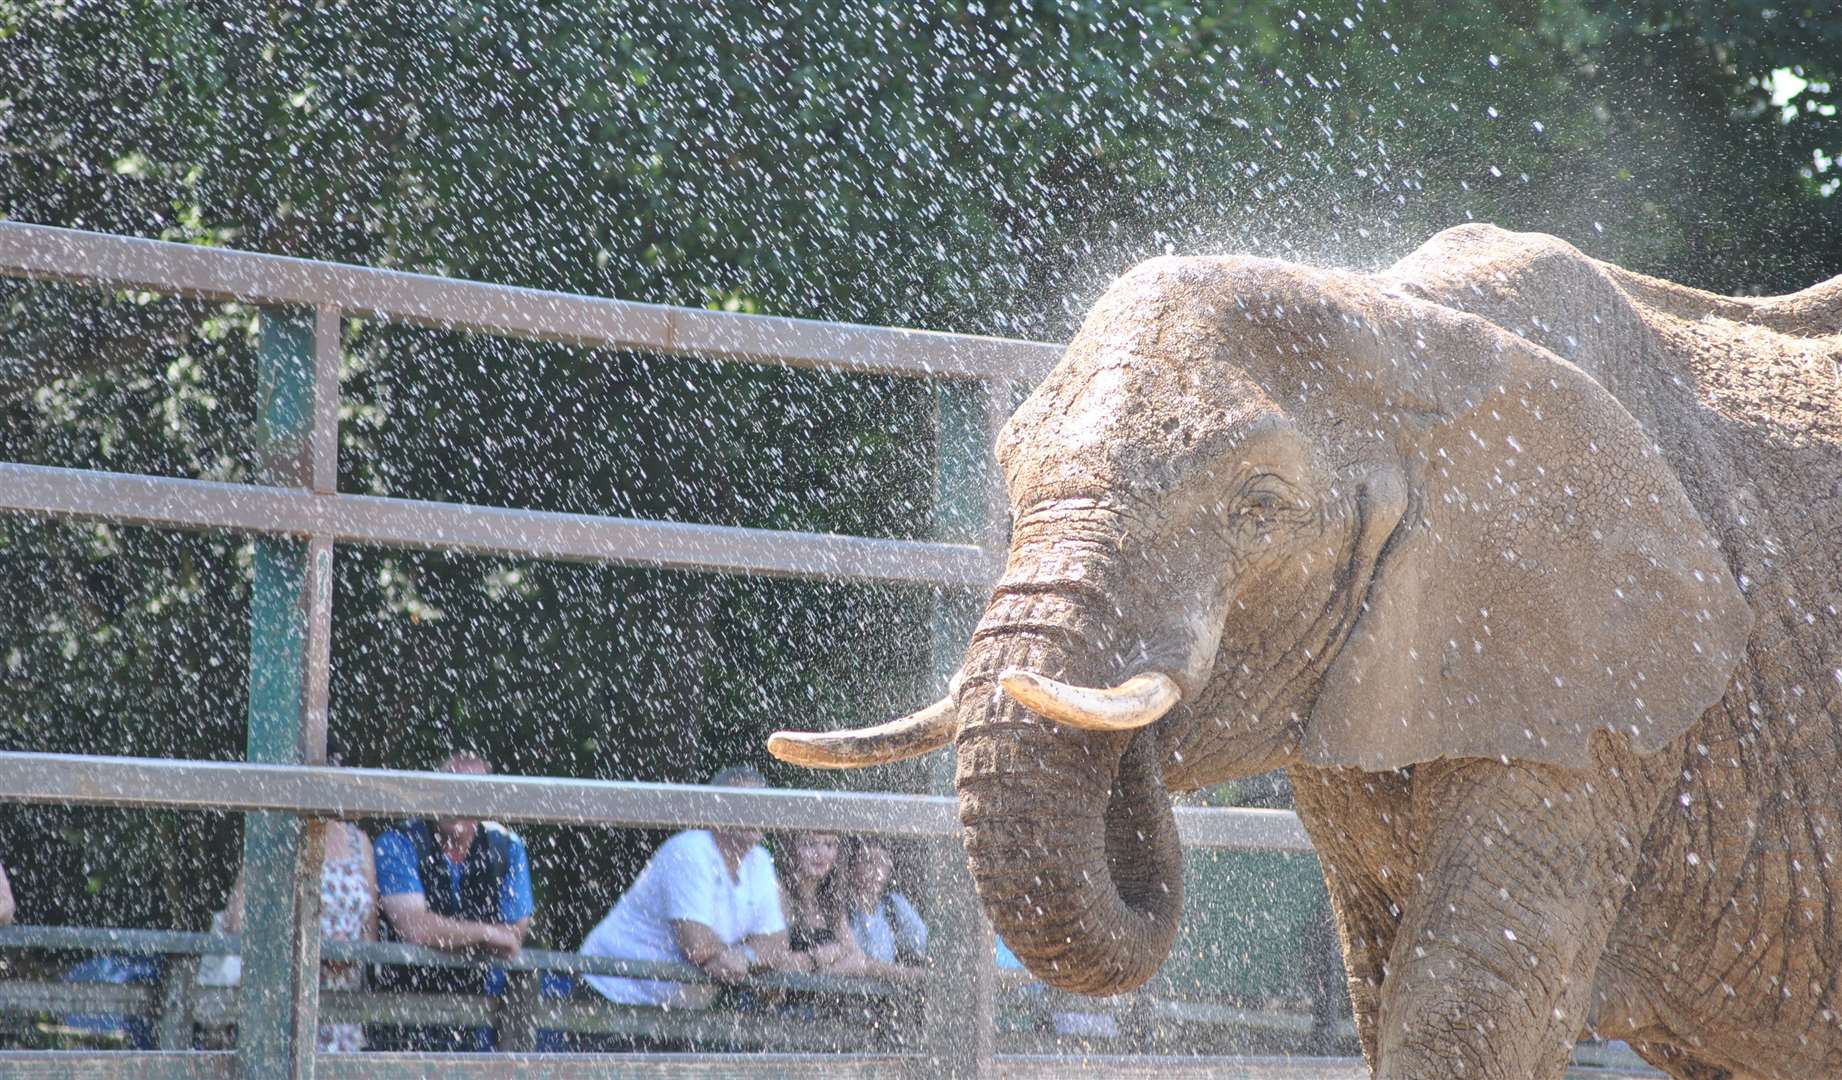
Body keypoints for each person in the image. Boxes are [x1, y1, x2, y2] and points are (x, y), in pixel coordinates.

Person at [579, 765, 805, 1019]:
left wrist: (742, 957)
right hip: (613, 991)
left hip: (674, 1008)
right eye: (746, 803)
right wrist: (730, 957)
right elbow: (696, 946)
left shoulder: (760, 860)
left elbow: (776, 943)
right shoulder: (690, 851)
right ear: (716, 809)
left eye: (763, 804)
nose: (757, 812)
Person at [369, 751, 534, 1052]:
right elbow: (415, 929)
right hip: (400, 1013)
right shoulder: (397, 843)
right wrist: (485, 934)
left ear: (485, 801)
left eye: (468, 791)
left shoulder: (507, 848)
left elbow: (513, 936)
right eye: (448, 787)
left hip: (477, 1017)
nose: (456, 799)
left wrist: (448, 933)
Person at [209, 818, 379, 1052]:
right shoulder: (277, 836)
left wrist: (348, 955)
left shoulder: (359, 842)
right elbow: (236, 922)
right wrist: (308, 946)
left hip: (340, 1003)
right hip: (284, 995)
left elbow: (370, 932)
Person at [778, 830, 865, 977]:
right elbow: (771, 961)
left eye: (829, 845)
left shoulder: (831, 902)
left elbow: (858, 959)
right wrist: (817, 958)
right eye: (810, 844)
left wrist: (821, 977)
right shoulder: (779, 895)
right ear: (792, 849)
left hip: (821, 995)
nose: (821, 853)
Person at [844, 837, 927, 975]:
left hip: (887, 994)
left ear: (889, 869)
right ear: (852, 867)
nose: (876, 870)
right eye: (868, 861)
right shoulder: (840, 907)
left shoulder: (893, 905)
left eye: (882, 863)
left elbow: (925, 945)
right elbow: (855, 963)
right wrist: (902, 973)